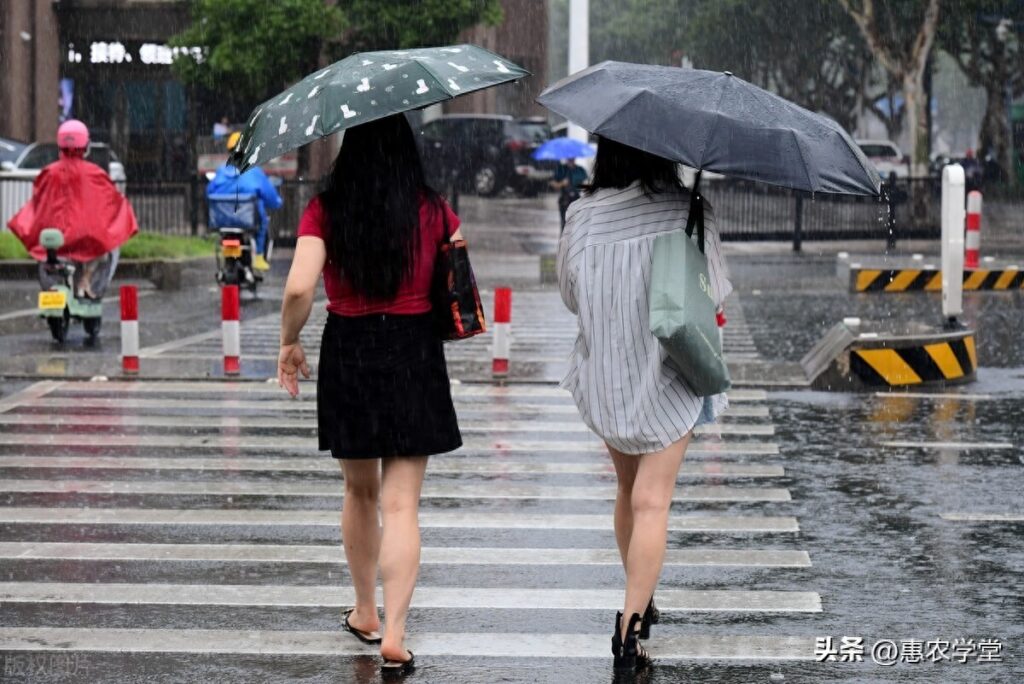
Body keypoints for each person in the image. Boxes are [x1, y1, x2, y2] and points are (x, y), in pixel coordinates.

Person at [277, 114, 464, 675]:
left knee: (360, 494)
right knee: (401, 503)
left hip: (350, 348)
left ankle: (365, 611)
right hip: (414, 349)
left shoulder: (326, 209)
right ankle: (398, 632)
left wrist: (289, 341)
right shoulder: (433, 208)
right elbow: (456, 274)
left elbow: (298, 286)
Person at [556, 137, 732, 675]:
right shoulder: (687, 209)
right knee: (653, 502)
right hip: (665, 375)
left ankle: (639, 592)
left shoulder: (581, 215)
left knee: (629, 492)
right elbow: (715, 291)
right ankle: (629, 632)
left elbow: (570, 293)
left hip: (607, 371)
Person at [7, 119, 137, 298]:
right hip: (87, 239)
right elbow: (112, 203)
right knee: (109, 247)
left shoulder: (49, 173)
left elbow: (38, 203)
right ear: (85, 146)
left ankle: (59, 287)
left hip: (56, 242)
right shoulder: (96, 174)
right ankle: (87, 280)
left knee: (47, 254)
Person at [206, 132, 283, 271]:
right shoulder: (254, 172)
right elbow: (270, 197)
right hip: (248, 221)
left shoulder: (221, 172)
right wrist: (277, 202)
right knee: (262, 223)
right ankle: (259, 256)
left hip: (224, 222)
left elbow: (209, 191)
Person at [550, 157, 588, 232]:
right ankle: (564, 241)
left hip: (576, 199)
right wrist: (561, 184)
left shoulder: (580, 170)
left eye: (572, 158)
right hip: (564, 199)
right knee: (565, 223)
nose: (571, 160)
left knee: (576, 223)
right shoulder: (561, 169)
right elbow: (552, 183)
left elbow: (586, 183)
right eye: (569, 158)